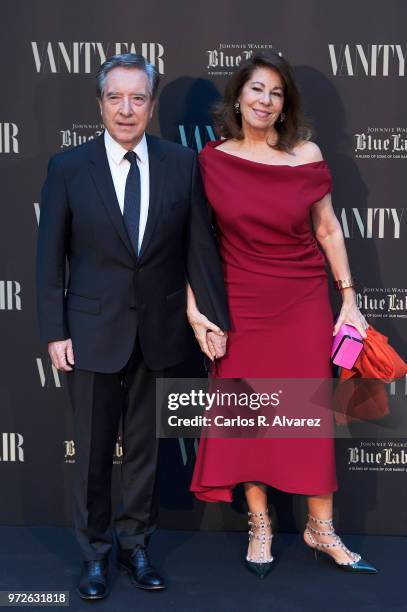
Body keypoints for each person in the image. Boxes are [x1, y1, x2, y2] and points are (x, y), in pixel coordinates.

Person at [36, 53, 229, 600]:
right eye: (115, 97)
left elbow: (199, 249)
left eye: (138, 98)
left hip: (160, 332)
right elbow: (49, 260)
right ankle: (95, 555)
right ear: (99, 104)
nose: (126, 109)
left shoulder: (180, 164)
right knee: (94, 452)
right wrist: (55, 331)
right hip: (91, 332)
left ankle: (136, 546)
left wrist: (211, 318)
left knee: (146, 451)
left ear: (151, 104)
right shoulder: (68, 168)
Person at [188, 50, 377, 578]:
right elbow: (195, 244)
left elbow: (328, 229)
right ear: (238, 97)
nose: (265, 100)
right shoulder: (211, 160)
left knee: (309, 417)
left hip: (300, 302)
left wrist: (349, 299)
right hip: (239, 305)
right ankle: (260, 523)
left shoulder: (307, 154)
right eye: (256, 89)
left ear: (284, 102)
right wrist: (196, 309)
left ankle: (322, 528)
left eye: (275, 92)